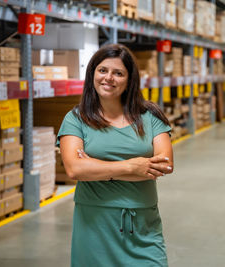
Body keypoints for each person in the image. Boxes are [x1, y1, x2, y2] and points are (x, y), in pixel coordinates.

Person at [57, 44, 173, 267]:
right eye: (102, 70)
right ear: (92, 74)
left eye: (118, 73)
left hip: (142, 224)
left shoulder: (150, 117)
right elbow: (75, 169)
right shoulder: (76, 119)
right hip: (94, 224)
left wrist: (94, 166)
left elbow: (164, 166)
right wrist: (131, 167)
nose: (108, 78)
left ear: (129, 80)